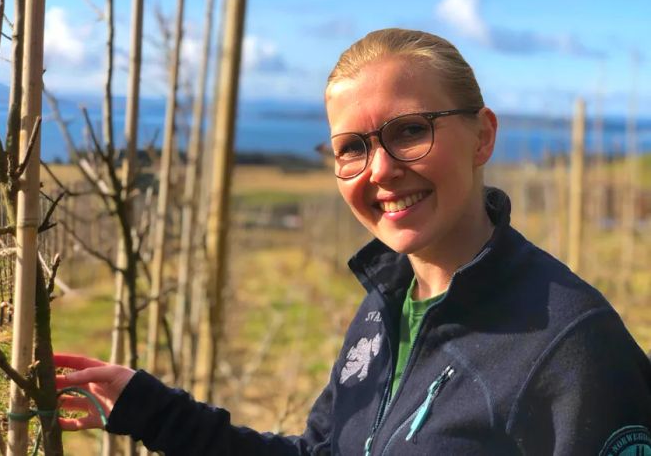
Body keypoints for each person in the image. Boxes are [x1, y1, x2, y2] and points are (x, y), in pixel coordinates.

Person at [55, 29, 651, 455]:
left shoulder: (573, 347)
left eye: (411, 130)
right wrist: (151, 410)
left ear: (482, 136)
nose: (381, 170)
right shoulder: (385, 305)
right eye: (352, 148)